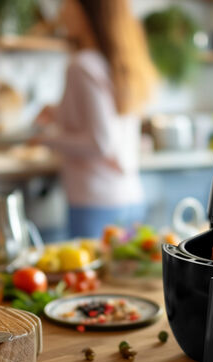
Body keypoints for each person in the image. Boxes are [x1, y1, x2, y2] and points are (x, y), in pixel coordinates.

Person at [34, 0, 157, 239]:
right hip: (129, 197)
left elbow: (100, 143)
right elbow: (105, 121)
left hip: (95, 201)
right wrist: (58, 112)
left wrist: (45, 139)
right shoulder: (118, 63)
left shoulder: (82, 65)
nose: (62, 13)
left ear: (88, 12)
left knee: (93, 276)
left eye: (68, 6)